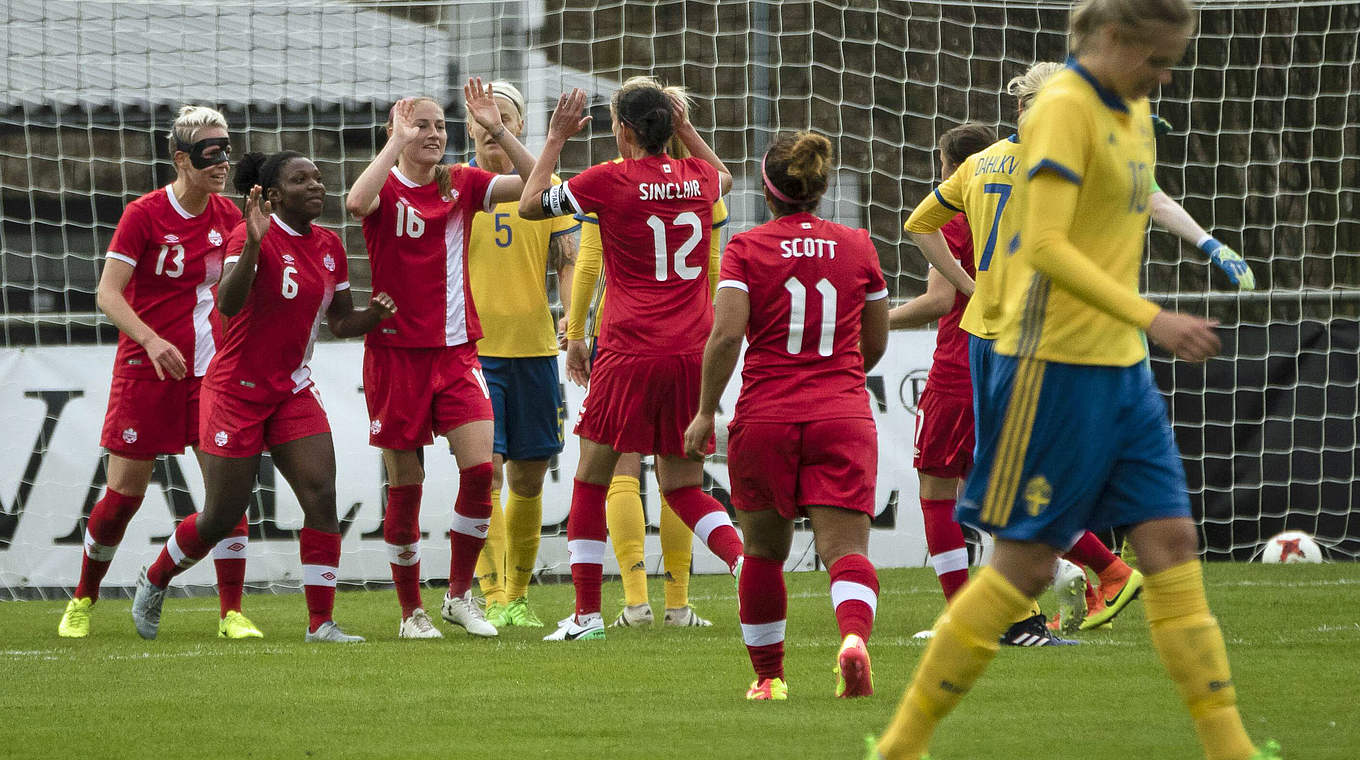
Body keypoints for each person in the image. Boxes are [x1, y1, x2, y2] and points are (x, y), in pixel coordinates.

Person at [873, 1, 1279, 758]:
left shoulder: (1132, 113)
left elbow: (1139, 202)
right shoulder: (1061, 110)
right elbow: (1049, 246)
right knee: (1023, 566)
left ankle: (1233, 749)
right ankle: (899, 746)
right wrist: (1154, 316)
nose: (1164, 75)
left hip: (1121, 369)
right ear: (1114, 39)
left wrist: (1206, 243)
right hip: (1054, 365)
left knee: (1172, 544)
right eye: (1156, 59)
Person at [130, 150, 396, 643]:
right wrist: (253, 245)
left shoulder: (330, 245)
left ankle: (321, 623)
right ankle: (157, 576)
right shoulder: (247, 235)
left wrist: (373, 317)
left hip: (292, 387)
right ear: (273, 196)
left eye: (318, 177)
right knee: (221, 516)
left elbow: (338, 323)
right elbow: (228, 302)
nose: (316, 185)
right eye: (301, 179)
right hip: (236, 390)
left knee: (321, 495)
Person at [519, 81, 744, 642]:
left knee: (592, 480)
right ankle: (748, 565)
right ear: (670, 126)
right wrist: (685, 127)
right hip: (693, 350)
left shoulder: (607, 179)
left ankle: (587, 615)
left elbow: (528, 204)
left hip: (630, 350)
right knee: (684, 486)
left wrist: (552, 139)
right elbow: (728, 178)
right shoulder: (699, 179)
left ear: (622, 129)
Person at [684, 131, 889, 700]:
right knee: (847, 552)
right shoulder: (858, 245)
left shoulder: (746, 249)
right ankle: (852, 640)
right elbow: (874, 344)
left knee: (764, 555)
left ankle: (769, 677)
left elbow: (726, 336)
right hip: (842, 413)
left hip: (767, 416)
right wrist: (840, 371)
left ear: (767, 192)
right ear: (820, 191)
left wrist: (705, 412)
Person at [58, 105, 262, 641]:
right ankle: (83, 598)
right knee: (124, 495)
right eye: (209, 152)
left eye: (226, 150)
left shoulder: (233, 219)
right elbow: (107, 293)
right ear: (181, 159)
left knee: (227, 493)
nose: (222, 162)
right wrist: (149, 339)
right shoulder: (144, 214)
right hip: (146, 368)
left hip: (209, 376)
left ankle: (231, 613)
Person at [345, 80, 540, 639]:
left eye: (438, 126)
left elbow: (536, 182)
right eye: (420, 125)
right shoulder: (385, 187)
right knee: (406, 481)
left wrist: (498, 128)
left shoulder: (460, 183)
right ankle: (411, 612)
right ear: (397, 133)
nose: (432, 134)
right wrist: (394, 144)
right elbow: (356, 203)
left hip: (456, 351)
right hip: (396, 356)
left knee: (482, 469)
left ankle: (458, 596)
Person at [465, 80, 579, 629]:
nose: (492, 128)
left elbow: (569, 258)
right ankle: (488, 596)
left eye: (505, 119)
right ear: (468, 127)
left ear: (519, 126)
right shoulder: (454, 188)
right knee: (483, 474)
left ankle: (516, 596)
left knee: (528, 479)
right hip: (474, 355)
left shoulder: (546, 189)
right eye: (484, 121)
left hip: (534, 352)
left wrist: (571, 313)